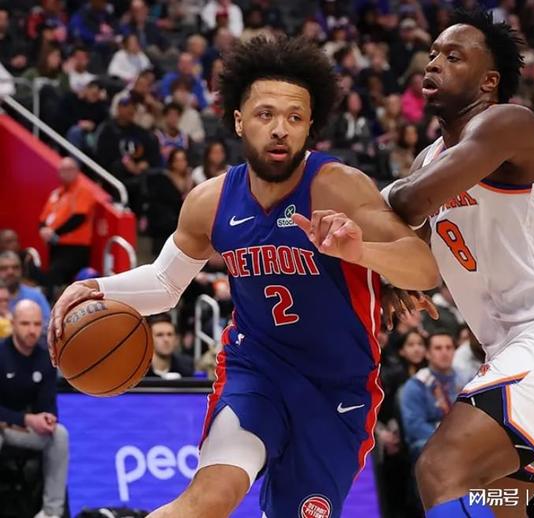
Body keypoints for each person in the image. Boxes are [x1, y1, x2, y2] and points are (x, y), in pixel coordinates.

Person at [48, 36, 438, 518]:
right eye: (265, 114)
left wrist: (361, 252)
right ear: (238, 120)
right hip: (256, 370)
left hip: (337, 387)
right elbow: (165, 285)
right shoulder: (209, 201)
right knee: (209, 499)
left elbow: (423, 267)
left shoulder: (338, 186)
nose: (280, 130)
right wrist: (93, 288)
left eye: (294, 118)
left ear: (310, 125)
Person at [377, 10, 534, 517]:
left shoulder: (509, 124)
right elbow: (410, 250)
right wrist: (392, 274)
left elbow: (407, 204)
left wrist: (359, 201)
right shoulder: (428, 160)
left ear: (489, 81)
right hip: (513, 345)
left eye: (453, 56)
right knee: (499, 502)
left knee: (440, 469)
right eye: (432, 54)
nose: (433, 63)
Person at [0, 300, 69, 518]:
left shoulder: (46, 358)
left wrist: (48, 419)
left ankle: (51, 512)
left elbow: (49, 405)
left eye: (37, 324)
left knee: (59, 435)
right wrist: (27, 419)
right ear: (13, 323)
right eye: (25, 324)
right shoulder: (1, 354)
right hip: (4, 426)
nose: (32, 330)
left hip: (22, 431)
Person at [39, 157, 96, 295]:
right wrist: (43, 229)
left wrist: (54, 232)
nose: (66, 173)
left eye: (70, 169)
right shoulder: (56, 193)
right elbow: (43, 218)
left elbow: (79, 217)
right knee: (53, 278)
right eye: (63, 170)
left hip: (76, 247)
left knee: (56, 276)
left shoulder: (83, 190)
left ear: (77, 171)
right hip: (55, 245)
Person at [400, 331, 460, 460]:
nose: (444, 352)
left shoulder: (466, 380)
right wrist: (449, 440)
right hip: (430, 444)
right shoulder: (416, 385)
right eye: (438, 348)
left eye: (449, 348)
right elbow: (415, 426)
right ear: (427, 353)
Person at [0, 251, 50, 332]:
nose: (10, 272)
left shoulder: (35, 296)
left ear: (22, 270)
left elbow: (47, 326)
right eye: (4, 268)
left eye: (15, 267)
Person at [145, 313, 194, 379]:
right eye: (159, 335)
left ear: (176, 339)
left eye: (169, 334)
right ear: (148, 339)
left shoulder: (186, 368)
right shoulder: (139, 371)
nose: (166, 339)